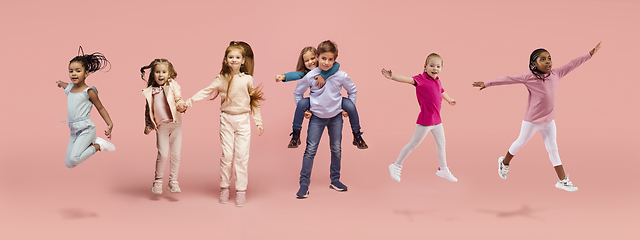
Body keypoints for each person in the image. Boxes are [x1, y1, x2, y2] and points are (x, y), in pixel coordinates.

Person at [472, 42, 602, 192]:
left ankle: (562, 180)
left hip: (549, 121)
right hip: (532, 121)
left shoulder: (556, 73)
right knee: (520, 142)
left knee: (553, 148)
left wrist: (589, 54)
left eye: (549, 58)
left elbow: (573, 64)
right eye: (543, 59)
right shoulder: (529, 77)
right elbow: (509, 79)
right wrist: (488, 83)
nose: (548, 61)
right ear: (534, 63)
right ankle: (504, 162)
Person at [182, 41, 264, 207]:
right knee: (227, 156)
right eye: (231, 57)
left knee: (242, 157)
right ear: (226, 60)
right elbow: (205, 91)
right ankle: (224, 188)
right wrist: (189, 102)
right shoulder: (221, 79)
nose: (234, 59)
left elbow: (254, 101)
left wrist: (258, 122)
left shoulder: (248, 79)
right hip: (226, 119)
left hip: (243, 121)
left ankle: (241, 190)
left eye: (237, 57)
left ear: (243, 61)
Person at [381, 53, 458, 183]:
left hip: (437, 120)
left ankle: (443, 169)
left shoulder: (437, 80)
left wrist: (449, 99)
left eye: (438, 66)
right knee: (413, 144)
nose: (435, 68)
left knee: (441, 143)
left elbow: (442, 91)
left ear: (441, 68)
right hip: (426, 121)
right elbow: (407, 79)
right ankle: (396, 165)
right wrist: (393, 77)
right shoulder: (421, 79)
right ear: (425, 67)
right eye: (432, 65)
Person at [293, 40, 356, 199]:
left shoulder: (341, 75)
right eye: (323, 59)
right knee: (310, 150)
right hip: (317, 119)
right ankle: (304, 184)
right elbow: (298, 93)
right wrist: (306, 110)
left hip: (335, 118)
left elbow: (352, 90)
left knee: (336, 149)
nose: (326, 62)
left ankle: (335, 180)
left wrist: (347, 108)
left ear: (335, 60)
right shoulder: (311, 75)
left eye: (330, 59)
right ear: (317, 57)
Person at [276, 47, 367, 149]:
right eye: (306, 60)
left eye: (312, 58)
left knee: (350, 106)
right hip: (316, 102)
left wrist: (323, 75)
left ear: (317, 57)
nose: (310, 62)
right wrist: (283, 76)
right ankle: (296, 134)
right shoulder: (308, 74)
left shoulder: (330, 67)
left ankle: (357, 134)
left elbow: (336, 65)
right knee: (301, 104)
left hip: (334, 101)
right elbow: (297, 74)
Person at [56, 46, 115, 169]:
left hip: (86, 129)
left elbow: (101, 108)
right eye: (71, 71)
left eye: (78, 71)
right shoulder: (70, 89)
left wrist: (110, 124)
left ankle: (98, 145)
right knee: (69, 164)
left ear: (86, 73)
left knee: (74, 159)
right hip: (73, 131)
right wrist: (61, 83)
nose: (74, 74)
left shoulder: (89, 91)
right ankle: (89, 145)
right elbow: (67, 86)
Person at [140, 59, 187, 194]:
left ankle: (173, 181)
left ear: (169, 73)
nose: (161, 75)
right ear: (153, 74)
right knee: (163, 154)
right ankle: (158, 181)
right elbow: (148, 109)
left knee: (176, 154)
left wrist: (181, 106)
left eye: (164, 72)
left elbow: (178, 98)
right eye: (158, 72)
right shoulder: (150, 91)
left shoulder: (173, 85)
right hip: (162, 126)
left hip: (176, 125)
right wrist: (148, 124)